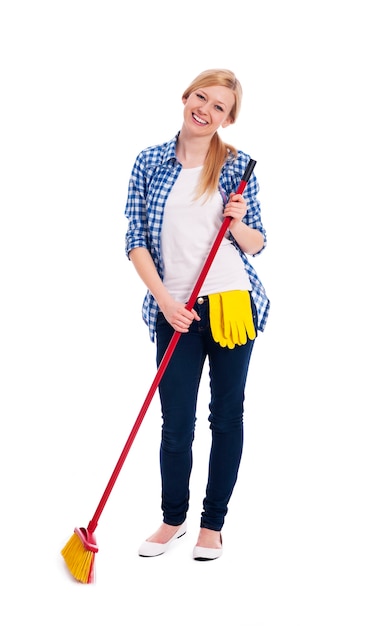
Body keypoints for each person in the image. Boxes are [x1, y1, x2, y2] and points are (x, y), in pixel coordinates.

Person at [124, 68, 270, 561]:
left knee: (226, 416)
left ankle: (212, 526)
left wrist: (239, 220)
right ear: (186, 97)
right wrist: (166, 301)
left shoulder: (236, 165)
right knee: (176, 423)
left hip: (231, 304)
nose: (206, 109)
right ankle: (173, 519)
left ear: (228, 119)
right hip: (175, 309)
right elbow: (136, 241)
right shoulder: (149, 163)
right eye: (202, 97)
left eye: (220, 107)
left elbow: (258, 243)